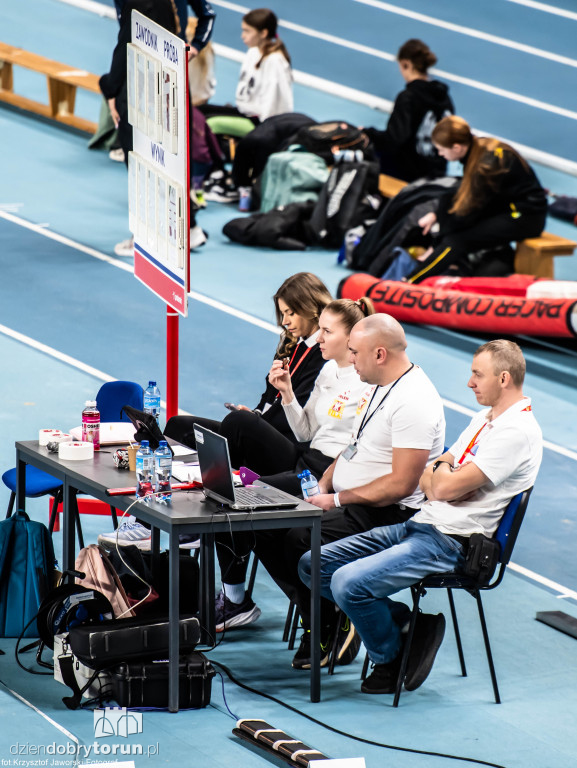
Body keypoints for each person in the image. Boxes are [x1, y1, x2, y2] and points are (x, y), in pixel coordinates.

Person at [299, 340, 543, 694]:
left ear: (504, 378)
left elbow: (440, 487)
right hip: (419, 525)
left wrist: (443, 477)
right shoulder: (485, 418)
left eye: (477, 374)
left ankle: (391, 659)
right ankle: (408, 625)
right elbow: (432, 476)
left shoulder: (517, 432)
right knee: (313, 565)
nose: (470, 383)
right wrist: (446, 475)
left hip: (451, 541)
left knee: (348, 584)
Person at [253, 313, 445, 669]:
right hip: (346, 496)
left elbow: (400, 485)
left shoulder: (414, 402)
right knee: (261, 524)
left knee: (299, 540)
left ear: (380, 354)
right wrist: (325, 481)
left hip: (386, 511)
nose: (350, 359)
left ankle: (329, 621)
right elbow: (354, 446)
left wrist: (337, 498)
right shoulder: (376, 386)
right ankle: (326, 612)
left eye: (355, 353)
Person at [98, 273, 332, 551]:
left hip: (290, 448)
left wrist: (256, 419)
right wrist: (257, 411)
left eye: (291, 313)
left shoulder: (323, 354)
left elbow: (293, 415)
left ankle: (194, 521)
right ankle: (155, 512)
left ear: (311, 306)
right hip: (267, 430)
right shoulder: (291, 344)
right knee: (179, 427)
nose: (285, 321)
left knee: (238, 423)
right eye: (282, 313)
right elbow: (270, 396)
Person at [212, 297, 375, 632]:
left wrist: (330, 482)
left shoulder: (365, 384)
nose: (319, 338)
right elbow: (304, 431)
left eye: (327, 332)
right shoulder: (329, 369)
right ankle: (310, 611)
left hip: (325, 472)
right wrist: (286, 393)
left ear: (350, 338)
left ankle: (318, 615)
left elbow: (358, 447)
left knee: (243, 506)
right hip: (306, 458)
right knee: (236, 435)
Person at [101, 0, 216, 256]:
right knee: (169, 160)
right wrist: (194, 47)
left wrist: (110, 87)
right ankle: (190, 229)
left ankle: (146, 236)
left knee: (142, 162)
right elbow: (207, 14)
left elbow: (125, 42)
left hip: (143, 82)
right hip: (171, 81)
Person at [406, 115, 548, 283]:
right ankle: (429, 272)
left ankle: (411, 281)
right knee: (448, 205)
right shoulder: (477, 149)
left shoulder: (485, 165)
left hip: (525, 216)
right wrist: (437, 215)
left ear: (457, 147)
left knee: (457, 240)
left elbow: (469, 212)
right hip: (505, 207)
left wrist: (439, 240)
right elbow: (463, 198)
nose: (439, 154)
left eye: (441, 149)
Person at [200, 8, 293, 205]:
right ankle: (209, 168)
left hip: (259, 122)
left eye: (247, 31)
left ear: (263, 33)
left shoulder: (275, 61)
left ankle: (220, 177)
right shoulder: (253, 52)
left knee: (210, 124)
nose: (242, 36)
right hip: (244, 111)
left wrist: (267, 130)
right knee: (196, 113)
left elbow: (279, 100)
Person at [363, 39, 454, 182]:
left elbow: (394, 140)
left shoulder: (408, 98)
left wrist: (368, 133)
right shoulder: (444, 97)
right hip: (437, 171)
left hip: (409, 173)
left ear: (406, 64)